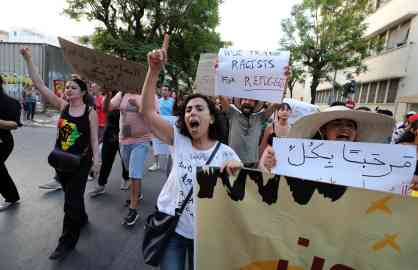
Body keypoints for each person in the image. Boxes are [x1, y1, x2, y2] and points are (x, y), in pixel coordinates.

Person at [142, 35, 242, 270]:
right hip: (173, 228)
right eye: (188, 110)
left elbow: (243, 195)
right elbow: (147, 111)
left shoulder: (227, 154)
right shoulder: (178, 140)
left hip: (207, 236)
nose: (192, 113)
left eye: (199, 109)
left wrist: (236, 175)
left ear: (211, 117)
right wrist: (153, 70)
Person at [21, 48, 100, 260]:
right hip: (61, 162)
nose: (68, 90)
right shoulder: (63, 106)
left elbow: (94, 139)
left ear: (83, 92)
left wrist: (96, 163)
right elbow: (39, 84)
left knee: (70, 203)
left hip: (81, 163)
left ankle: (66, 243)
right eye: (67, 87)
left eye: (73, 87)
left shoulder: (90, 113)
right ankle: (81, 217)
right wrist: (28, 58)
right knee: (72, 198)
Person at [260, 106, 394, 172]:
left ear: (356, 132)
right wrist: (270, 166)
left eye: (350, 125)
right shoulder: (303, 157)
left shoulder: (371, 162)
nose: (344, 128)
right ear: (324, 130)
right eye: (336, 124)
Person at [107, 89, 159, 226]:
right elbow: (109, 107)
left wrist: (138, 105)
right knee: (130, 170)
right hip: (125, 138)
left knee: (135, 173)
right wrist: (107, 93)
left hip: (142, 139)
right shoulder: (123, 92)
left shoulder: (149, 94)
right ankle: (138, 193)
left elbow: (155, 115)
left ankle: (133, 210)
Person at [88, 90, 129, 197]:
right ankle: (101, 184)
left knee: (125, 159)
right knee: (106, 160)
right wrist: (108, 94)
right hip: (110, 130)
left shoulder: (131, 92)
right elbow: (105, 108)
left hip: (126, 130)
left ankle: (126, 178)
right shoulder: (115, 92)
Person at [219, 96, 278, 168]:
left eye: (251, 100)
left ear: (255, 103)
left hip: (252, 165)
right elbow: (221, 97)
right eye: (245, 99)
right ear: (240, 101)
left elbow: (276, 105)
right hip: (233, 163)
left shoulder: (260, 117)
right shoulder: (233, 114)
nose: (247, 102)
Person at [0, 75, 22, 211]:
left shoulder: (11, 102)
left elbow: (14, 124)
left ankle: (11, 196)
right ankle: (12, 196)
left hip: (3, 142)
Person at [149, 85, 175, 171]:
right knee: (156, 144)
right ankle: (156, 163)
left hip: (169, 127)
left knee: (170, 145)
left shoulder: (173, 102)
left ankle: (170, 164)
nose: (164, 91)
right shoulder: (158, 101)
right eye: (162, 90)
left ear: (169, 92)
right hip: (158, 126)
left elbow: (175, 114)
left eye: (166, 90)